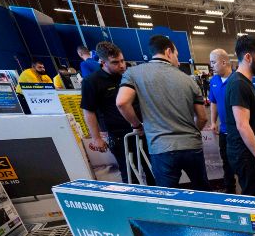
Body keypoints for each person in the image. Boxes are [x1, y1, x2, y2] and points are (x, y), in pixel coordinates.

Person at [116, 35, 210, 190]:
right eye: (177, 56)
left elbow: (121, 102)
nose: (178, 62)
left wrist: (137, 126)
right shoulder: (189, 80)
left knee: (166, 195)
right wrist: (193, 131)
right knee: (203, 191)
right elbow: (202, 117)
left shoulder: (133, 73)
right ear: (168, 52)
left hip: (161, 147)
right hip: (192, 146)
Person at [81, 41, 155, 186]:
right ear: (102, 62)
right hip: (120, 135)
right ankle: (135, 203)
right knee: (129, 171)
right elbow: (89, 111)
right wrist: (96, 138)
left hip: (143, 129)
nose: (121, 65)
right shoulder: (92, 82)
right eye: (115, 62)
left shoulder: (130, 75)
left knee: (152, 169)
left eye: (122, 60)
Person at [224, 36, 255, 197]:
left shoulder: (245, 82)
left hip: (251, 152)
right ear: (247, 57)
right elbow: (242, 125)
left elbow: (252, 122)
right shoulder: (238, 84)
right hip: (245, 155)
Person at [207, 48, 238, 194]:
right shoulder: (214, 81)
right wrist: (213, 122)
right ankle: (230, 191)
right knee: (226, 163)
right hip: (224, 131)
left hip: (239, 131)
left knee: (242, 162)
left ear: (224, 62)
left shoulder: (237, 80)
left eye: (213, 62)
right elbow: (213, 102)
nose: (211, 65)